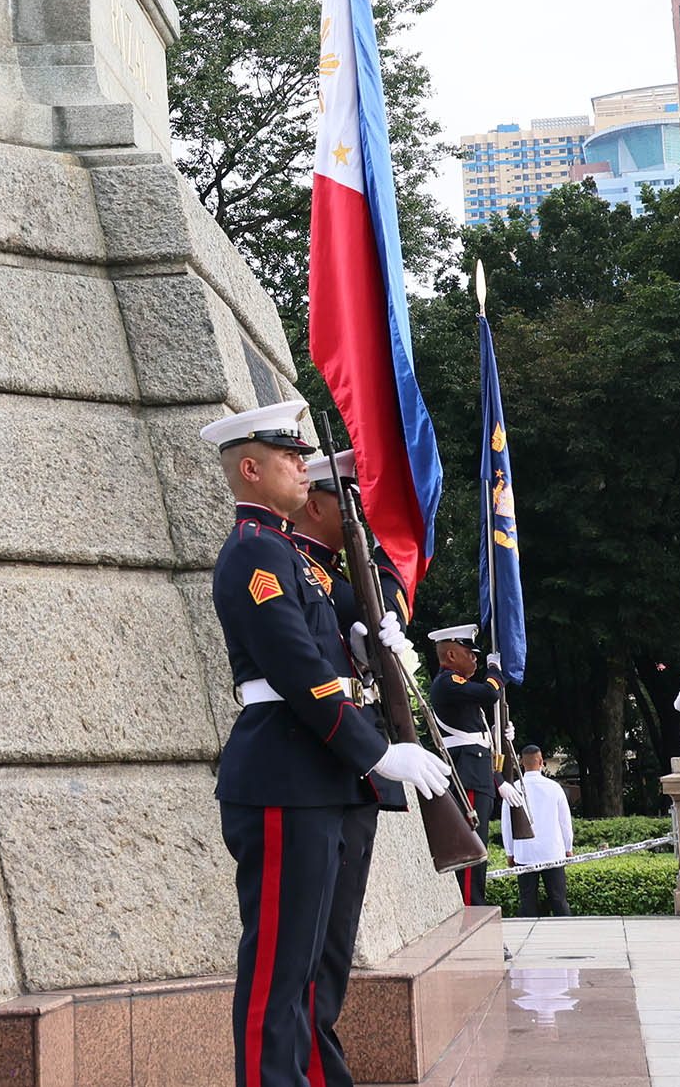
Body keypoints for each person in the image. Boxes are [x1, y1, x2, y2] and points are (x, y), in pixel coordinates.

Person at [204, 403, 452, 1087]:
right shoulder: (253, 551)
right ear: (250, 468)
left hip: (329, 777)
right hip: (287, 773)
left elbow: (365, 611)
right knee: (281, 970)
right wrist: (375, 752)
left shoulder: (296, 558)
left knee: (322, 965)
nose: (301, 465)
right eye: (290, 457)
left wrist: (373, 635)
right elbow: (296, 670)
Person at [288, 449, 418, 1085]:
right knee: (309, 949)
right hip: (324, 766)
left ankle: (322, 1063)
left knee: (334, 945)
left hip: (354, 773)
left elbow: (374, 607)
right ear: (315, 503)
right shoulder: (294, 568)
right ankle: (318, 1071)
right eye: (348, 503)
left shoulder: (339, 575)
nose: (359, 515)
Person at [428, 626, 502, 905]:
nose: (474, 660)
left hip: (477, 770)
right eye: (469, 654)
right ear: (450, 654)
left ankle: (474, 909)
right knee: (472, 850)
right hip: (467, 774)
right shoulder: (448, 682)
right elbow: (489, 693)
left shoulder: (458, 685)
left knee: (478, 848)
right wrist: (494, 670)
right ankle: (472, 911)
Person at [501, 745, 575, 917]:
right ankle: (568, 933)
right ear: (542, 762)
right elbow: (565, 822)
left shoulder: (514, 789)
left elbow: (507, 823)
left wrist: (509, 852)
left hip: (525, 851)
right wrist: (568, 847)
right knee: (558, 899)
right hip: (553, 852)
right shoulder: (554, 787)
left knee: (527, 899)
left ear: (521, 762)